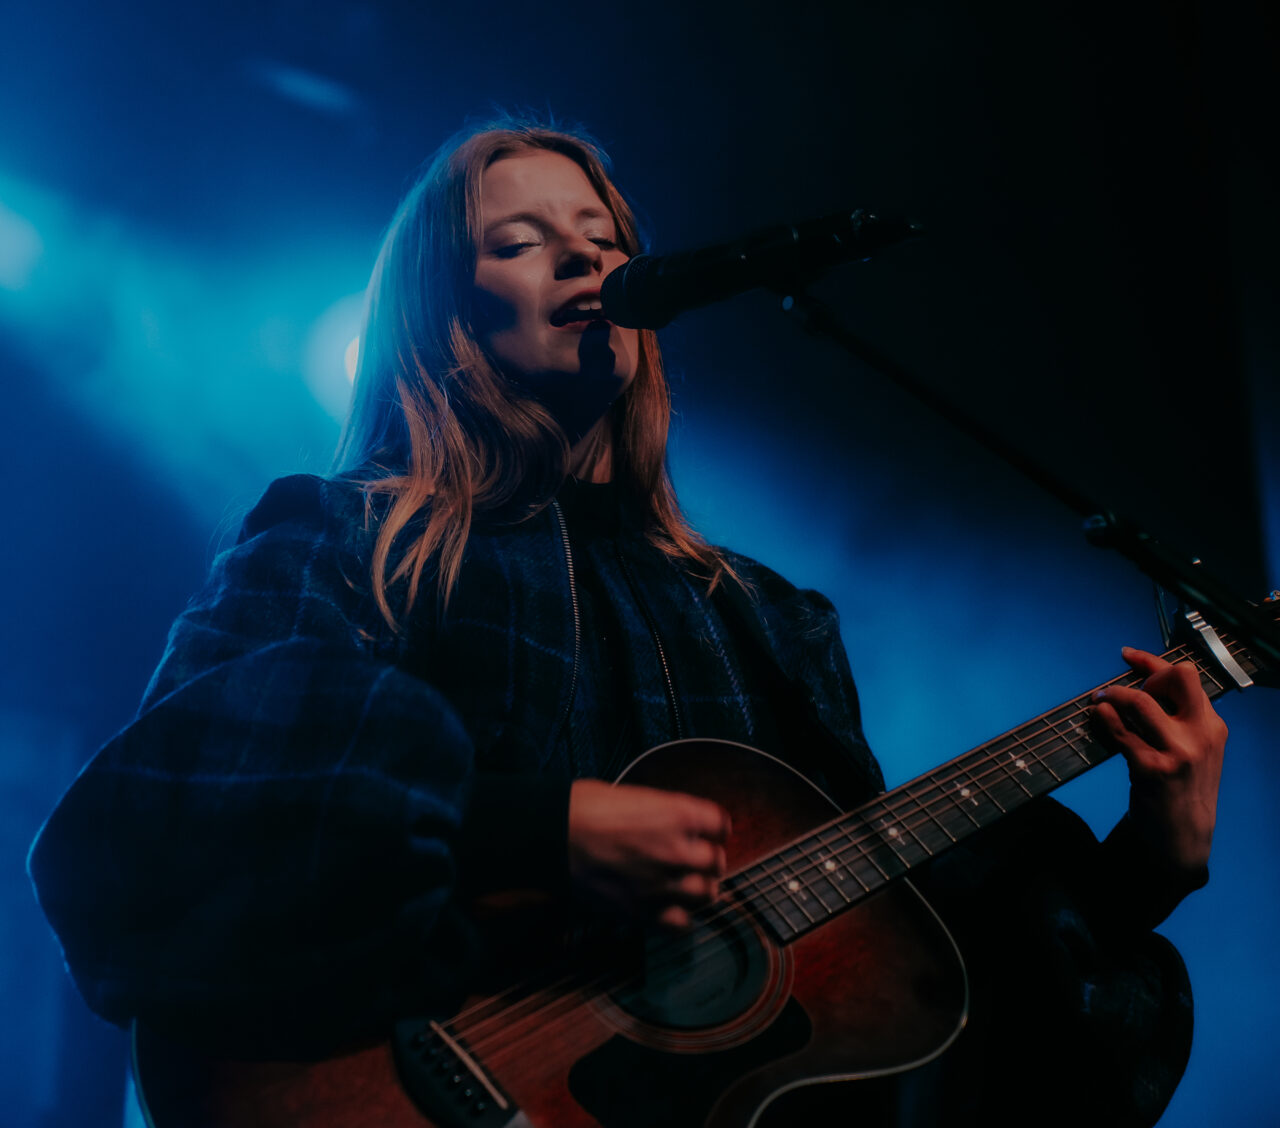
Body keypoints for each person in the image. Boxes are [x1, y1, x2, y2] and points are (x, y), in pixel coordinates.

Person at [29, 121, 1226, 1124]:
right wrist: (531, 828)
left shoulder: (768, 619)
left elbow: (885, 965)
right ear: (440, 311)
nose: (582, 258)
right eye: (517, 241)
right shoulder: (343, 538)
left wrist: (1138, 870)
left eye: (603, 241)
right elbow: (164, 822)